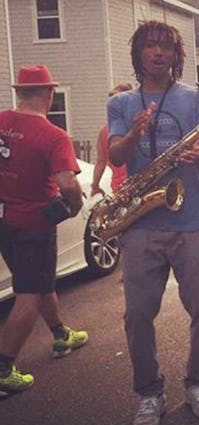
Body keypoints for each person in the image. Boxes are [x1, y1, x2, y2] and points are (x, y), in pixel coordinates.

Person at [107, 21, 199, 425]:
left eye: (166, 47)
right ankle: (148, 392)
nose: (158, 53)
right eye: (150, 46)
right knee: (137, 314)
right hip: (142, 222)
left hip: (192, 219)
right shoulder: (122, 104)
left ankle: (198, 382)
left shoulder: (195, 99)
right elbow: (117, 155)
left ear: (176, 56)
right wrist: (134, 132)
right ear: (139, 53)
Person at [0, 65, 88, 395]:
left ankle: (60, 335)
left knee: (39, 280)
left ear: (19, 92)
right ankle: (4, 367)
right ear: (49, 94)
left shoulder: (0, 121)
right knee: (30, 294)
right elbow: (68, 183)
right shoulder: (53, 135)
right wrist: (75, 206)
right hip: (34, 224)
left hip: (4, 222)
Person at [91, 83, 134, 197]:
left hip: (118, 189)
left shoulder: (105, 130)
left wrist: (95, 185)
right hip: (138, 186)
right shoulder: (135, 127)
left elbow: (101, 161)